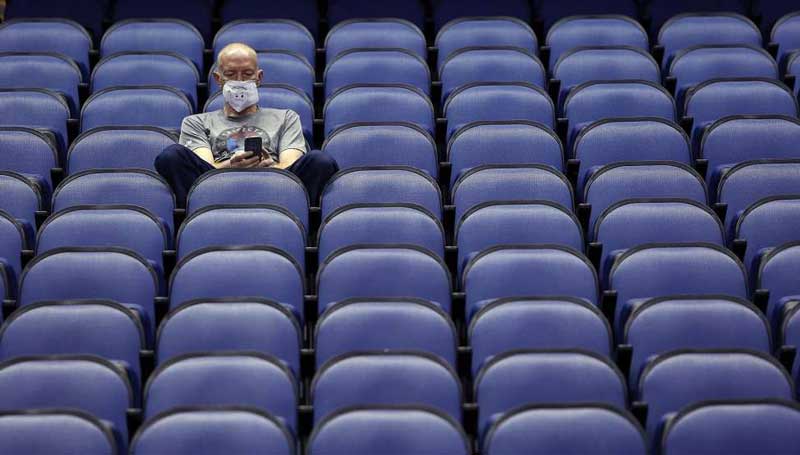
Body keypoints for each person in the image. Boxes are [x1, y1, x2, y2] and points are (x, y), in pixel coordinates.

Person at [155, 42, 338, 206]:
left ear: (259, 77)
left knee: (319, 161)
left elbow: (290, 163)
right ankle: (202, 208)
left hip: (275, 186)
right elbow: (206, 166)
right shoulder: (196, 122)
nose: (240, 81)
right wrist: (232, 167)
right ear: (218, 79)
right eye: (231, 74)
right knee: (172, 156)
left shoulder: (286, 117)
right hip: (217, 186)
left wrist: (268, 167)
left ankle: (291, 213)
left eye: (248, 74)